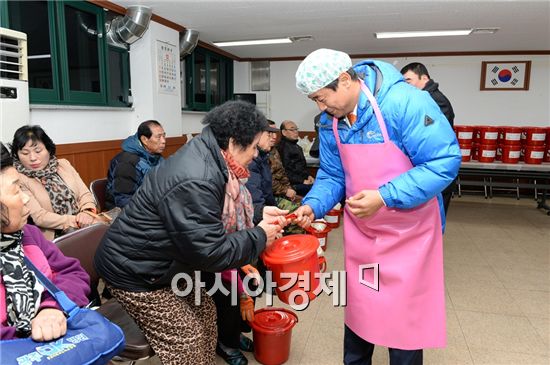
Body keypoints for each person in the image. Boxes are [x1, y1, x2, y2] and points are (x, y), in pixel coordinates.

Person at [294, 49, 461, 365]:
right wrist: (313, 205)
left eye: (321, 97)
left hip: (410, 235)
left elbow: (443, 162)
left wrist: (384, 196)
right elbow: (333, 173)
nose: (320, 106)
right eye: (313, 100)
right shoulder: (331, 121)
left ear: (345, 80)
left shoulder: (404, 103)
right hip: (364, 236)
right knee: (361, 313)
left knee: (403, 323)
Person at [94, 101, 290, 365]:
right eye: (254, 146)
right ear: (233, 142)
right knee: (187, 337)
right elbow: (211, 253)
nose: (256, 154)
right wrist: (260, 235)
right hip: (137, 271)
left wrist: (257, 216)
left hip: (167, 261)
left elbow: (213, 213)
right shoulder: (197, 176)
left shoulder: (211, 155)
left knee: (205, 313)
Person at [0, 142, 90, 341]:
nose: (25, 199)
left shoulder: (28, 234)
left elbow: (73, 272)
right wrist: (33, 334)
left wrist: (52, 308)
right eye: (16, 191)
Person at [11, 126, 99, 240]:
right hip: (53, 238)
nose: (33, 158)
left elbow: (84, 194)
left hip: (85, 226)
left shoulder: (63, 164)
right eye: (25, 153)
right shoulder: (18, 178)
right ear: (17, 155)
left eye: (38, 151)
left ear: (48, 149)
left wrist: (87, 212)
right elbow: (40, 217)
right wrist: (77, 220)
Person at [400, 62, 456, 215]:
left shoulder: (435, 100)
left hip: (437, 167)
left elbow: (432, 138)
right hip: (426, 166)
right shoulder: (422, 99)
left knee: (436, 215)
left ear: (424, 78)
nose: (405, 85)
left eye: (408, 80)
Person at [105, 120, 166, 210]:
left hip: (153, 204)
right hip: (126, 211)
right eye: (158, 137)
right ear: (144, 140)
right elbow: (123, 200)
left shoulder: (156, 157)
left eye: (164, 136)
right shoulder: (127, 162)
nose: (163, 141)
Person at [246, 122, 279, 225]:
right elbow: (255, 199)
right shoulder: (251, 161)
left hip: (266, 207)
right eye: (268, 134)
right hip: (260, 213)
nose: (271, 138)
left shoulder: (263, 156)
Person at [277, 120, 315, 196]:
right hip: (293, 185)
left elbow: (302, 166)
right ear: (284, 132)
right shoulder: (283, 148)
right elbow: (285, 171)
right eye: (292, 130)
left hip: (303, 180)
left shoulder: (297, 147)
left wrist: (308, 176)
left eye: (296, 129)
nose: (296, 132)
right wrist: (303, 181)